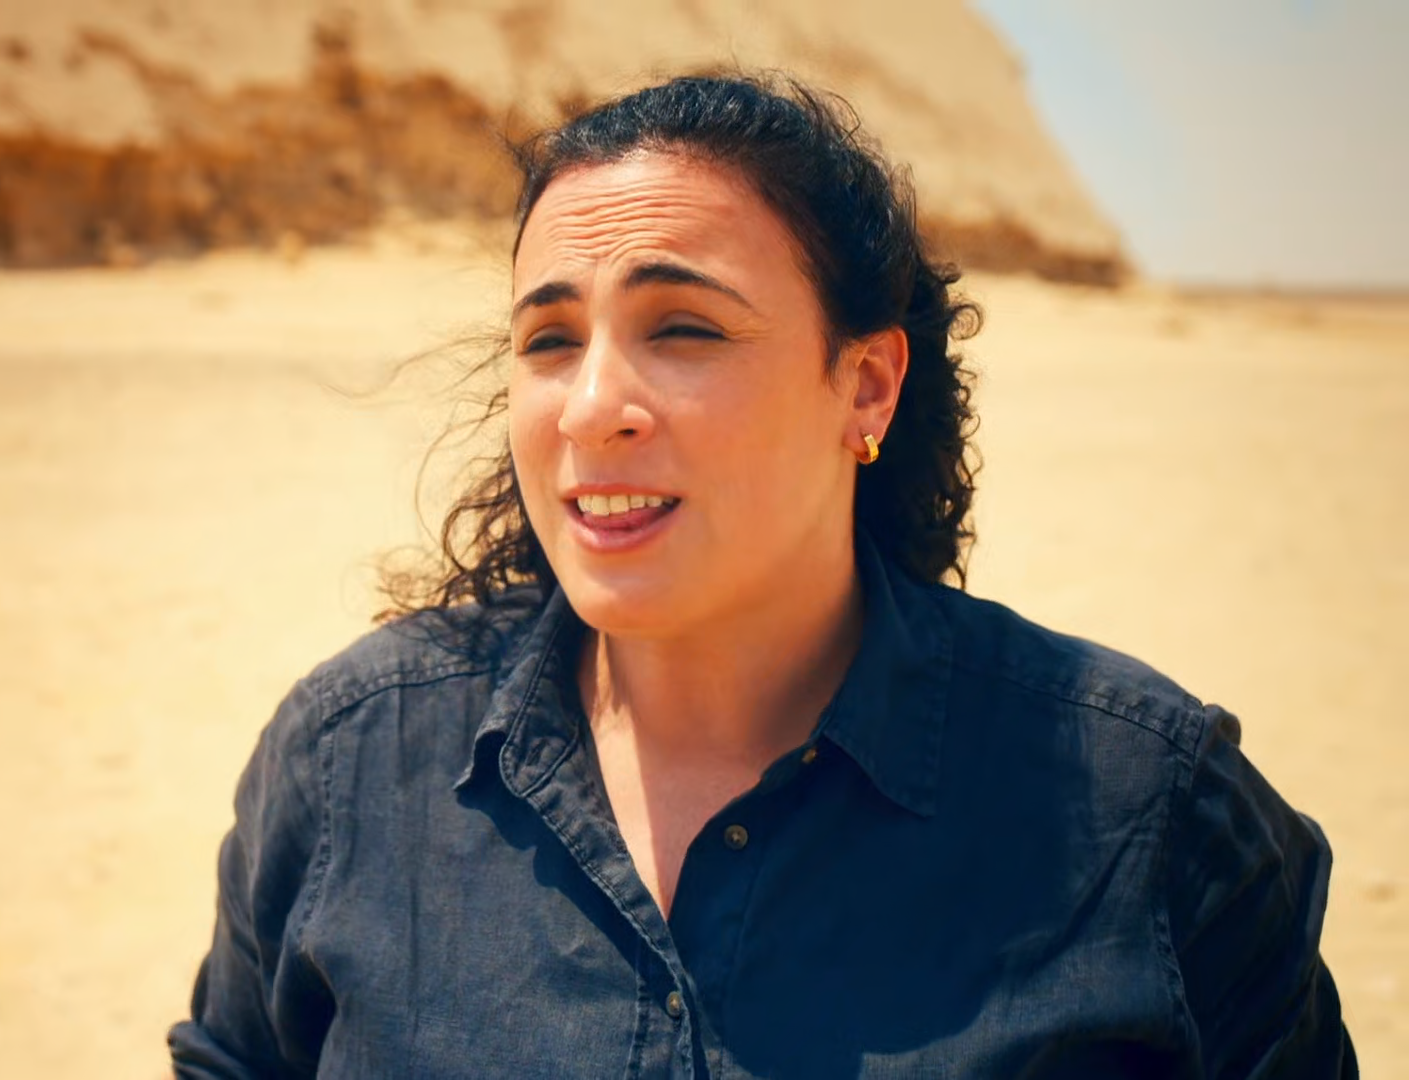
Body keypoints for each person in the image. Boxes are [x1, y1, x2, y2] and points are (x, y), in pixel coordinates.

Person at [168, 73, 1356, 1078]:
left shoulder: (1148, 810)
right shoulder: (352, 762)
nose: (590, 408)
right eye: (549, 340)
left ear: (866, 387)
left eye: (683, 328)